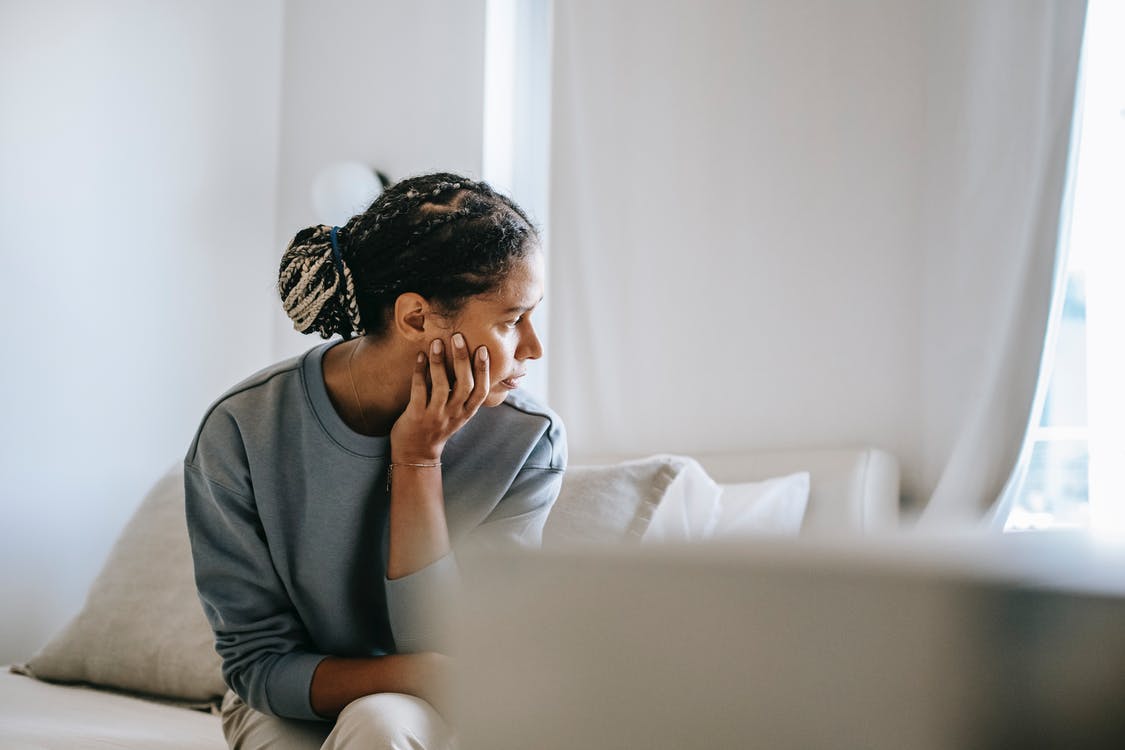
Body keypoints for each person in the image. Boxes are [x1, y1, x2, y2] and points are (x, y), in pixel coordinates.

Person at [184, 172, 566, 750]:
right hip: (294, 698)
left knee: (380, 726)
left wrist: (418, 458)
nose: (533, 347)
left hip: (431, 707)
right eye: (513, 320)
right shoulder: (241, 430)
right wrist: (418, 672)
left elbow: (447, 647)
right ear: (416, 318)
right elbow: (258, 665)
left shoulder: (525, 442)